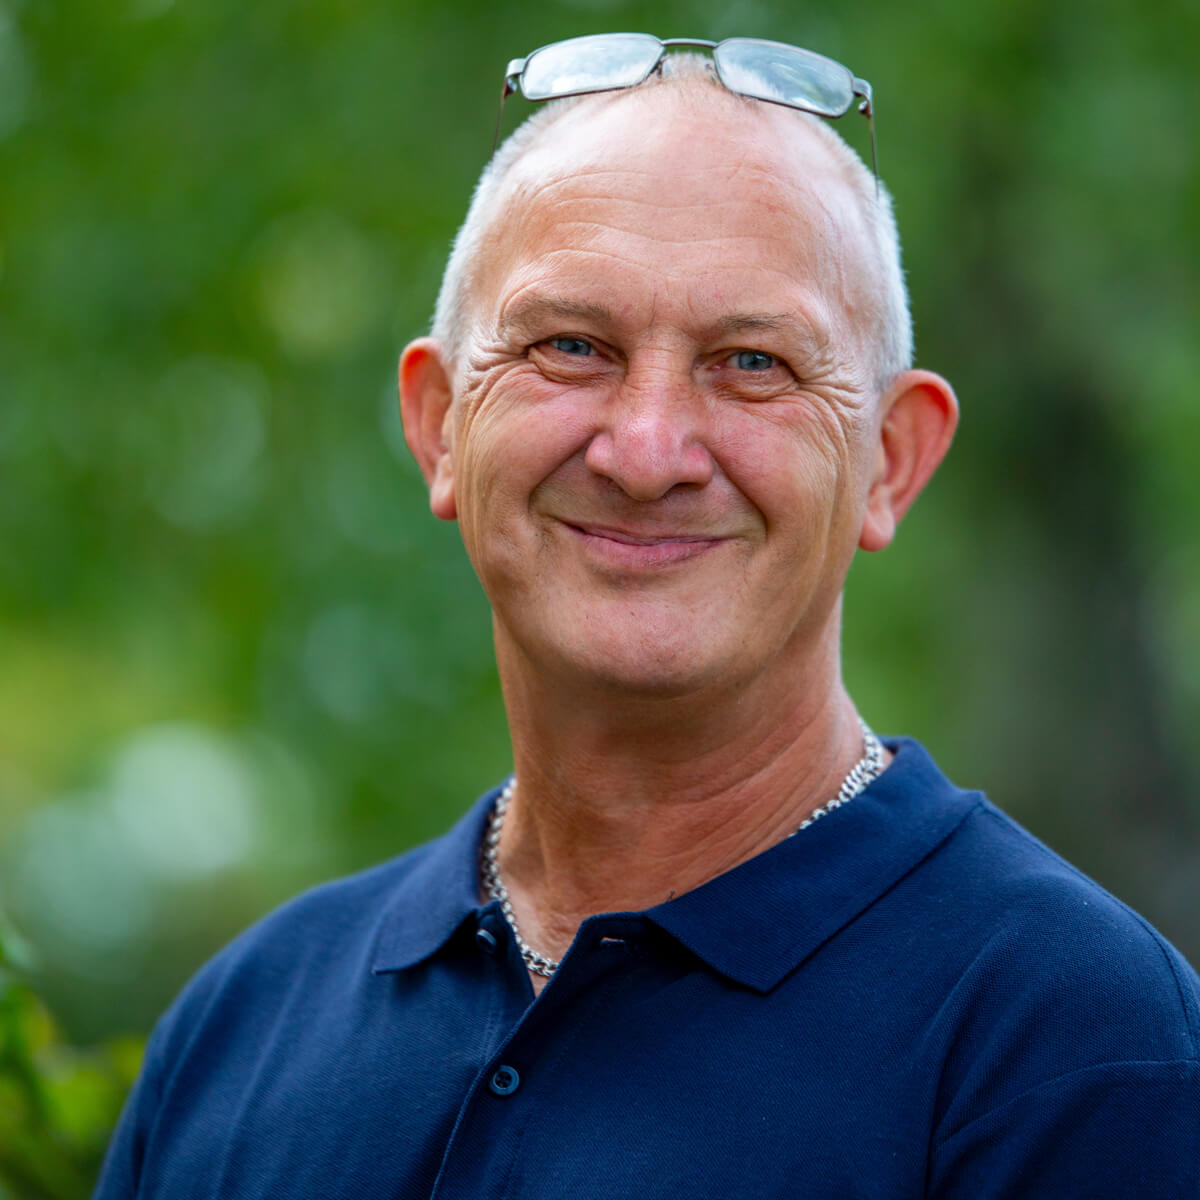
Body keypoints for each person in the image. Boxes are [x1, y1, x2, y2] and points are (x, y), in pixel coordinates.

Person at [95, 35, 1200, 1198]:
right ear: (439, 426)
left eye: (752, 363)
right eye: (571, 347)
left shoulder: (1076, 1047)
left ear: (890, 460)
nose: (647, 451)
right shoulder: (240, 1031)